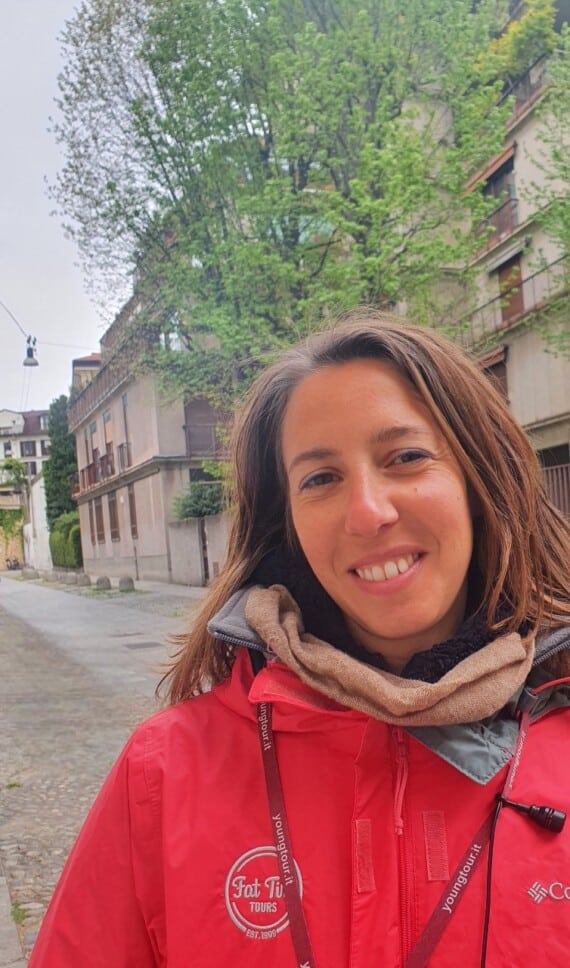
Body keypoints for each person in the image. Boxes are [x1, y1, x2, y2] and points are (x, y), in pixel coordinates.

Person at [29, 310, 570, 967]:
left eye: (406, 456)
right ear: (286, 523)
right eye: (321, 478)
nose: (369, 512)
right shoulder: (163, 775)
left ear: (480, 481)